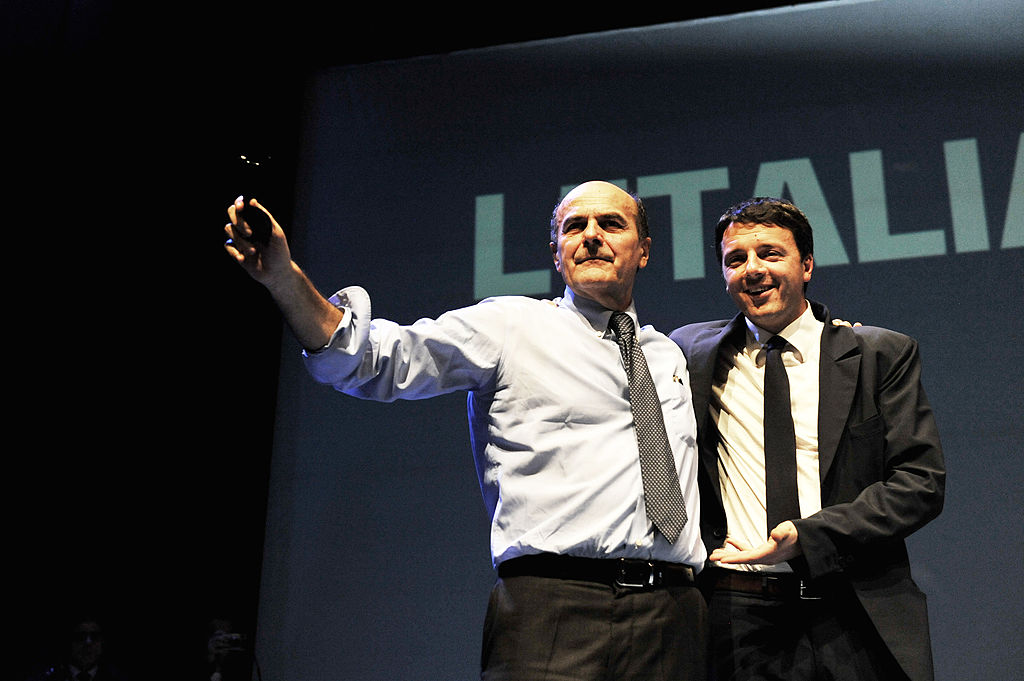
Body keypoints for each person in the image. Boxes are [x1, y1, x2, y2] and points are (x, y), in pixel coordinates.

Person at [224, 180, 707, 680]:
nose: (590, 236)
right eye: (573, 226)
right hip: (554, 606)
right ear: (557, 254)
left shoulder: (667, 354)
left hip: (672, 614)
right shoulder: (509, 326)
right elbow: (375, 359)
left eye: (610, 224)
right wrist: (284, 278)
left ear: (644, 251)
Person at [669, 197, 945, 681]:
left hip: (852, 608)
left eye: (770, 254)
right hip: (736, 615)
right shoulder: (689, 352)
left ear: (808, 264)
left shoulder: (878, 354)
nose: (752, 270)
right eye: (736, 260)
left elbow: (919, 484)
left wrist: (810, 536)